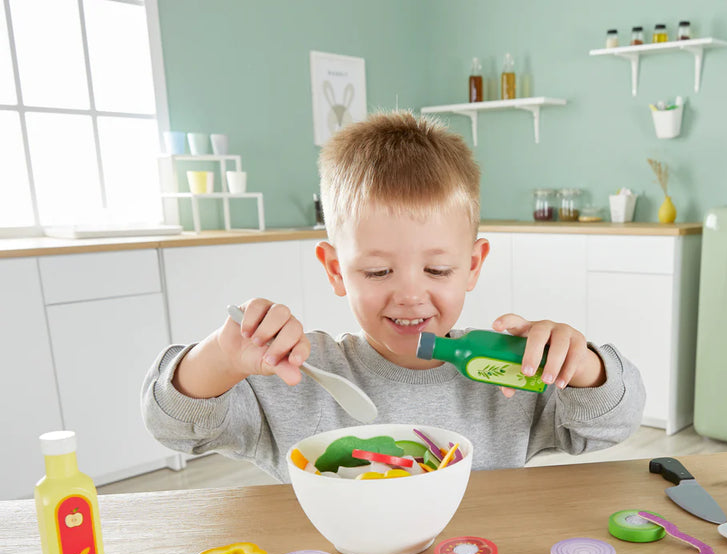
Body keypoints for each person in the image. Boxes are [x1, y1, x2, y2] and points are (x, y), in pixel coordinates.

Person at [142, 111, 644, 482]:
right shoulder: (296, 374)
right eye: (379, 270)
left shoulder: (505, 374)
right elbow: (176, 428)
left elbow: (612, 423)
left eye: (437, 268)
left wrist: (579, 366)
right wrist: (222, 359)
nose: (409, 294)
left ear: (472, 266)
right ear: (336, 271)